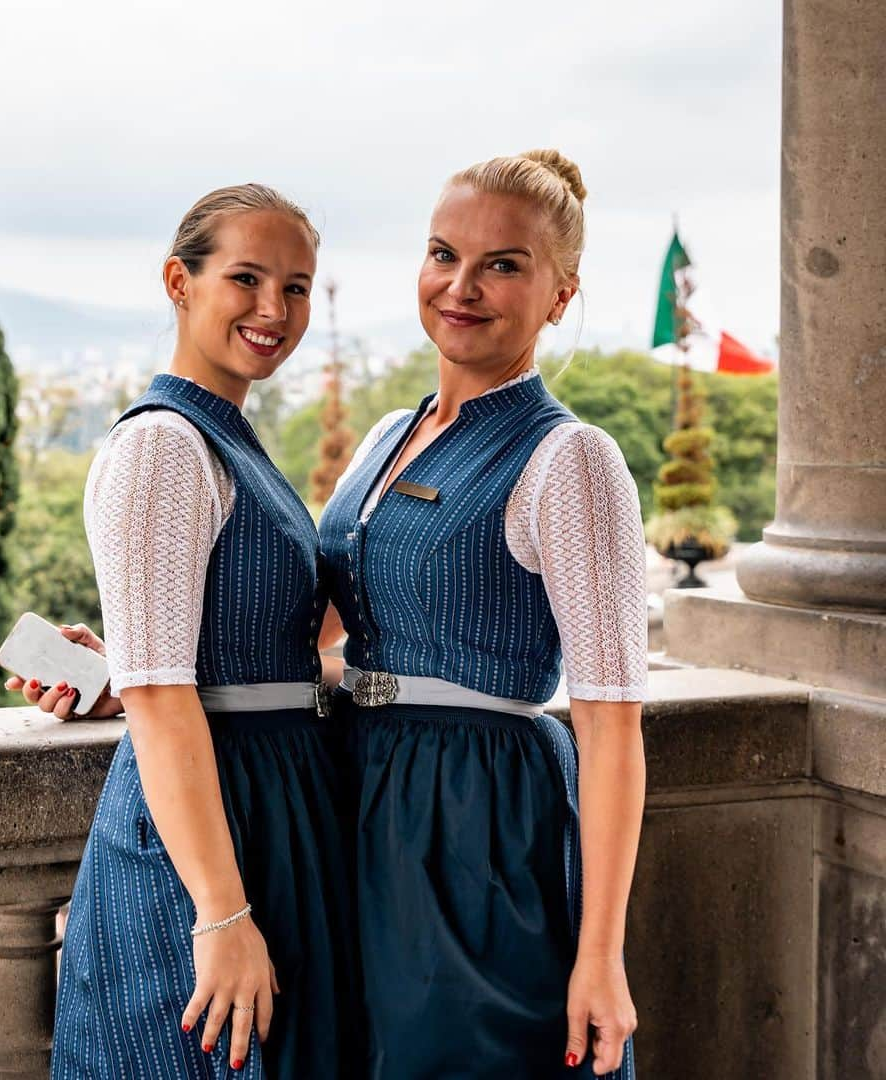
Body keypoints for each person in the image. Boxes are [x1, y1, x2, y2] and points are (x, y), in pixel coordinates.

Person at [8, 184, 359, 1078]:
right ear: (180, 280)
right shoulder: (166, 444)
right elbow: (166, 704)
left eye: (298, 286)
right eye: (246, 278)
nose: (274, 310)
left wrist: (119, 670)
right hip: (209, 843)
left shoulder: (225, 435)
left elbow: (217, 657)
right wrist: (222, 914)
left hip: (267, 804)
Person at [318, 149, 645, 1078]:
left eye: (503, 264)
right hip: (355, 792)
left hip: (477, 819)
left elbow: (612, 726)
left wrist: (601, 953)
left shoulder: (571, 461)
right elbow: (311, 634)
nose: (461, 286)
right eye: (442, 254)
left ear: (559, 295)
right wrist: (132, 671)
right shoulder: (388, 434)